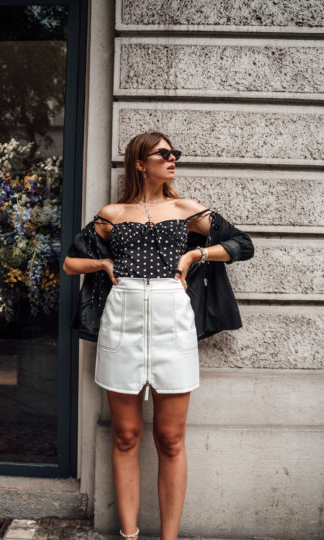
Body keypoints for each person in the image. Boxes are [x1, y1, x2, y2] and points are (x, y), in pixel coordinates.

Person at [63, 131, 255, 540]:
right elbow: (70, 262)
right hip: (123, 316)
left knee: (169, 438)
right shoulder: (111, 214)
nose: (173, 160)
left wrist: (194, 253)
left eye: (174, 154)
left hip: (172, 317)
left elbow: (242, 244)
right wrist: (102, 266)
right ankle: (128, 536)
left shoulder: (186, 210)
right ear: (139, 163)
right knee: (126, 434)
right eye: (163, 154)